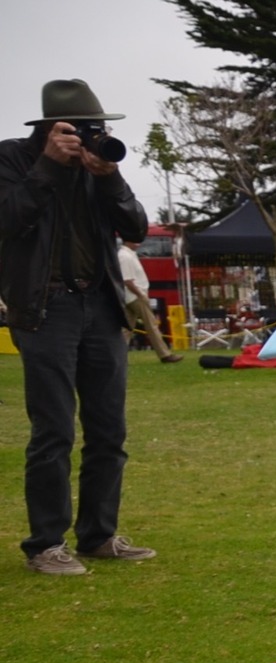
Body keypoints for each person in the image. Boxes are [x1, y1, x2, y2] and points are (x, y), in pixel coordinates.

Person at [0, 80, 156, 575]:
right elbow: (7, 222)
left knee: (109, 429)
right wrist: (48, 166)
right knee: (54, 429)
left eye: (99, 129)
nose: (93, 137)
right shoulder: (13, 159)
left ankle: (98, 536)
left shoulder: (98, 168)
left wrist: (110, 177)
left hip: (102, 306)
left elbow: (136, 229)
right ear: (51, 128)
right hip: (46, 308)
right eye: (83, 129)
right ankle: (45, 544)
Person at [116, 235, 182, 363]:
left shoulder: (128, 254)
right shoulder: (124, 256)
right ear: (128, 240)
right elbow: (127, 281)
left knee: (126, 329)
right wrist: (141, 295)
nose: (139, 243)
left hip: (131, 296)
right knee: (151, 325)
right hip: (135, 296)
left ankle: (117, 356)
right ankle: (165, 354)